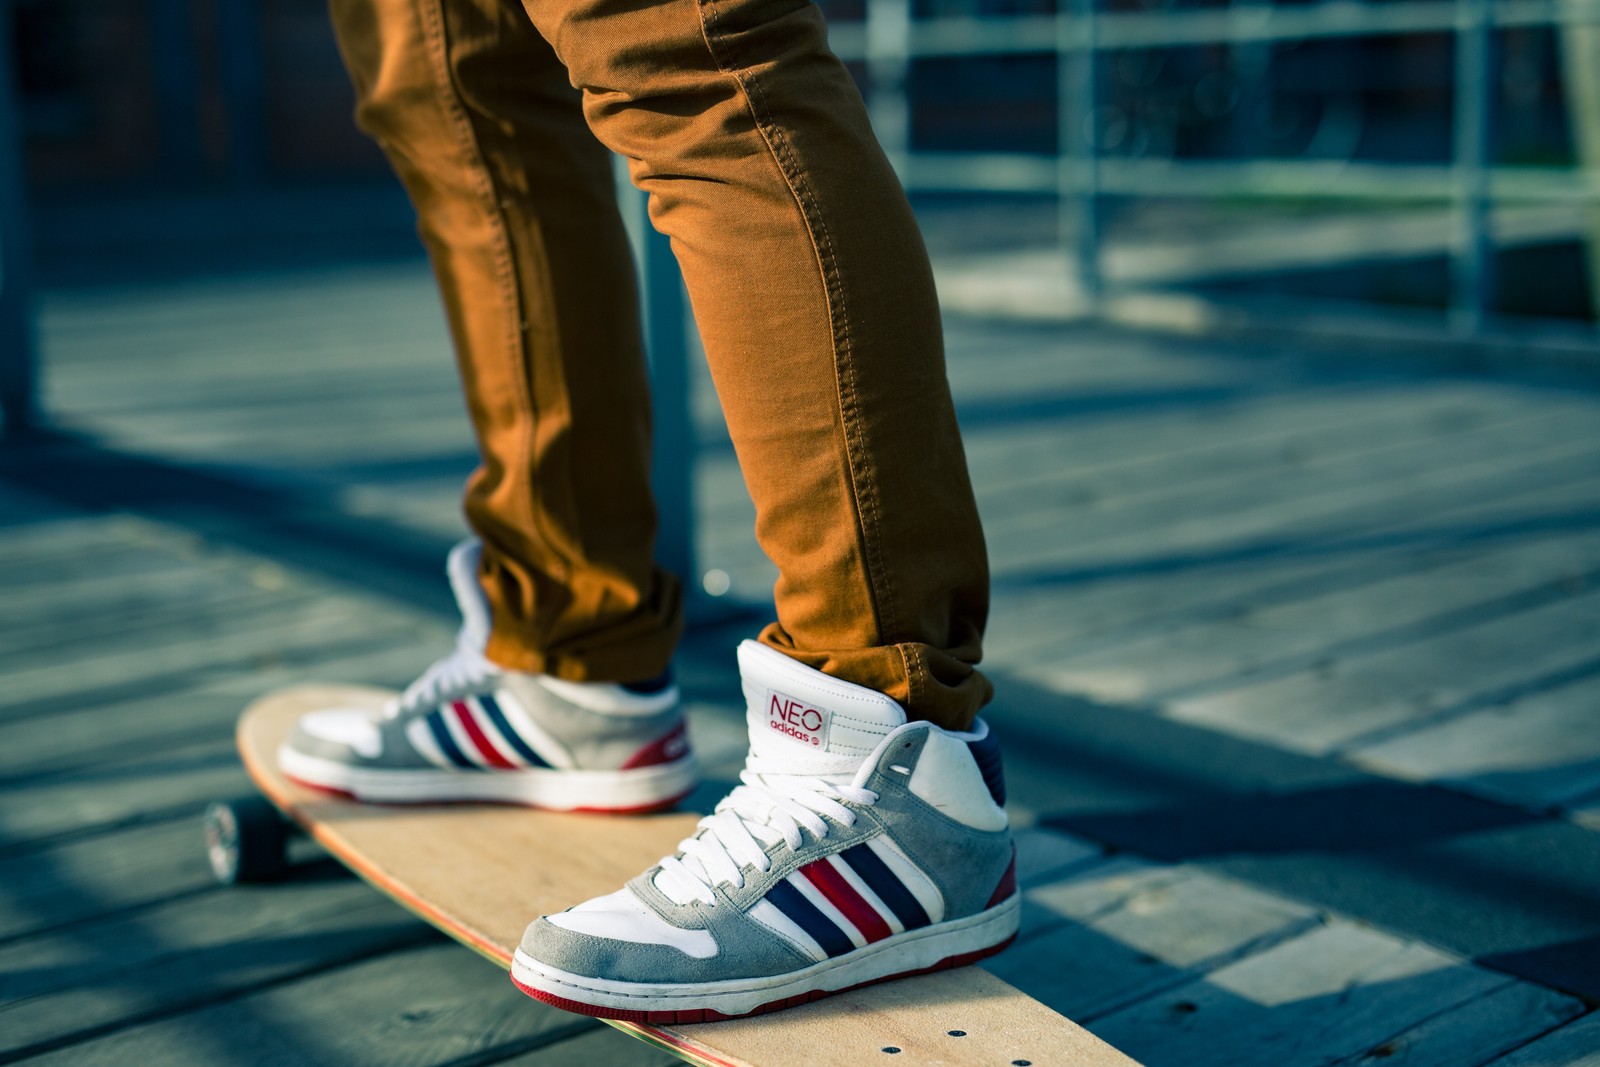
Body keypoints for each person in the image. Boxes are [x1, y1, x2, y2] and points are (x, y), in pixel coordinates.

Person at [279, 0, 1016, 1022]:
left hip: (884, 759)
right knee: (451, 98)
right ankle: (567, 652)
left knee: (684, 48)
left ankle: (884, 765)